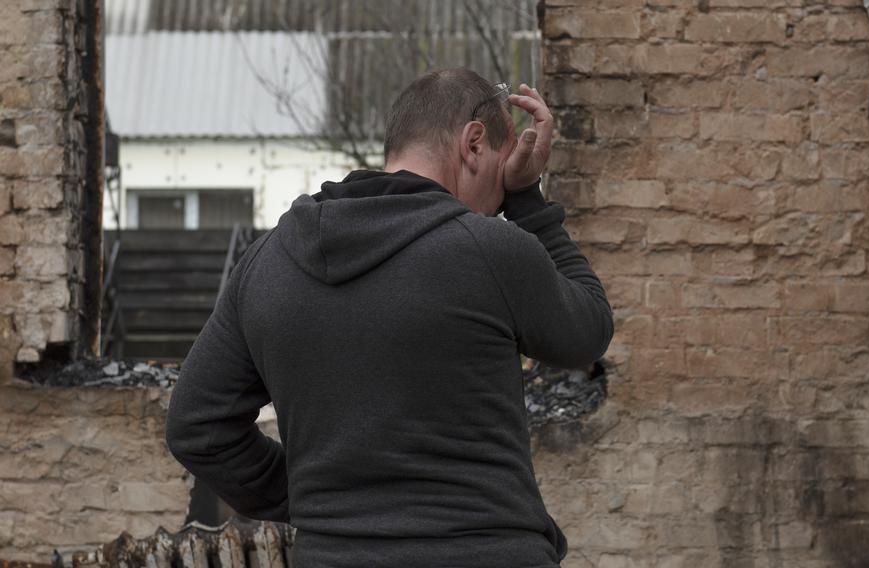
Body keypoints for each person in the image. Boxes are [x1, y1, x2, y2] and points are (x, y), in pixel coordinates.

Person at [165, 67, 613, 568]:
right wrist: (527, 198)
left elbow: (196, 427)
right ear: (473, 143)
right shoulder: (490, 251)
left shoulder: (267, 262)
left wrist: (318, 502)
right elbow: (588, 330)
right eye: (502, 170)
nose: (497, 199)